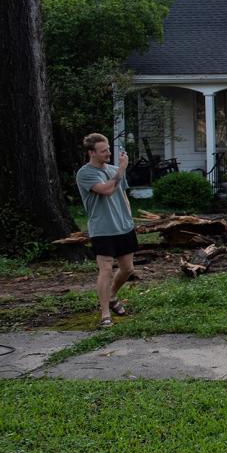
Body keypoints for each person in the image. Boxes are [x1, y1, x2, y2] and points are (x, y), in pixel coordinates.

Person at [76, 133, 137, 327]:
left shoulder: (114, 169)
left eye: (109, 149)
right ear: (91, 153)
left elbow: (122, 195)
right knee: (106, 269)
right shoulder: (85, 173)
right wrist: (122, 168)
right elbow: (106, 190)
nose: (109, 153)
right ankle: (105, 315)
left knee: (128, 269)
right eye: (104, 151)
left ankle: (112, 296)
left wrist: (129, 219)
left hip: (123, 227)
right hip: (102, 229)